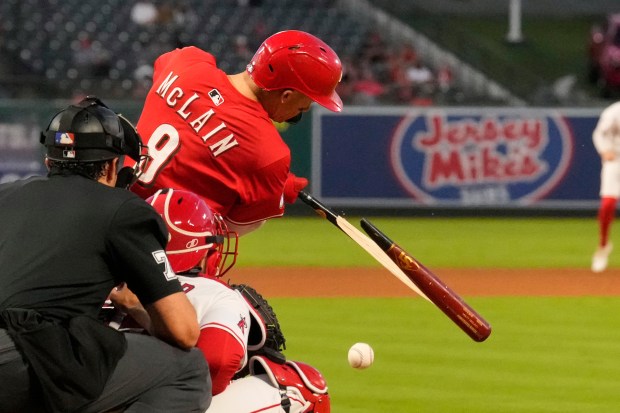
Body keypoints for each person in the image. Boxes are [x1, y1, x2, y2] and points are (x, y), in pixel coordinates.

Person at [0, 96, 210, 413]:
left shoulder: (5, 195)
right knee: (188, 369)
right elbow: (184, 331)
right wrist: (131, 303)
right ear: (113, 165)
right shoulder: (124, 212)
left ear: (49, 162)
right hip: (24, 360)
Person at [114, 187, 331, 411]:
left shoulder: (105, 280)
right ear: (203, 252)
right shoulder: (213, 293)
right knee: (305, 386)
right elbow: (218, 363)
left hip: (96, 399)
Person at [126, 30, 343, 236]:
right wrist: (269, 185)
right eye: (305, 104)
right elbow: (231, 228)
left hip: (112, 211)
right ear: (286, 96)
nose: (302, 112)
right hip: (164, 248)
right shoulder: (270, 154)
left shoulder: (185, 60)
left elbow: (192, 137)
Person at [592, 101, 620, 272]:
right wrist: (605, 150)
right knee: (608, 204)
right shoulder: (614, 111)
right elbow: (599, 134)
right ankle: (603, 246)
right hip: (616, 160)